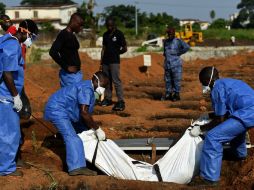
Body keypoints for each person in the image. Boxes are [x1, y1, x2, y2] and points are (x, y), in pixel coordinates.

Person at [189, 66, 254, 186]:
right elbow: (224, 112)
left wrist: (201, 129)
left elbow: (220, 119)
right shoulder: (228, 83)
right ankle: (238, 154)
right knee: (234, 128)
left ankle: (209, 178)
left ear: (208, 79)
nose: (202, 85)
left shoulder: (216, 89)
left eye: (202, 82)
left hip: (247, 113)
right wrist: (209, 115)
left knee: (213, 137)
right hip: (248, 111)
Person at [44, 71, 109, 176]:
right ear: (95, 80)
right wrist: (97, 128)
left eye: (105, 86)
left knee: (84, 130)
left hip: (66, 110)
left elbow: (85, 113)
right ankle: (77, 167)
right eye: (102, 85)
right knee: (73, 137)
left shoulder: (89, 89)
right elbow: (84, 113)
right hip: (57, 109)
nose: (102, 88)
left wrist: (91, 128)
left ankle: (58, 140)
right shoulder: (86, 89)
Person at [0, 19, 38, 176]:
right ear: (26, 32)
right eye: (33, 36)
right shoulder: (13, 45)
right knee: (10, 133)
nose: (32, 40)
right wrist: (16, 96)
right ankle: (6, 169)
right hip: (6, 96)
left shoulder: (5, 40)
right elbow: (7, 73)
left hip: (4, 94)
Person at [49, 13, 84, 87]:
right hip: (69, 76)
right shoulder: (63, 34)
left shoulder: (72, 35)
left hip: (75, 75)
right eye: (80, 25)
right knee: (72, 97)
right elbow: (53, 52)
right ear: (74, 22)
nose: (81, 28)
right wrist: (66, 67)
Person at [100, 17, 127, 111]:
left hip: (114, 62)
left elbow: (124, 48)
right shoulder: (105, 35)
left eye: (111, 25)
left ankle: (121, 101)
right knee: (107, 81)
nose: (109, 27)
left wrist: (117, 53)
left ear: (114, 25)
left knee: (116, 81)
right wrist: (101, 62)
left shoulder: (119, 34)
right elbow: (103, 49)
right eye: (108, 25)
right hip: (105, 62)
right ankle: (108, 99)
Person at [161, 28, 190, 101]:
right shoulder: (165, 42)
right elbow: (165, 52)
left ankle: (176, 94)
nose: (170, 35)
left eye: (171, 33)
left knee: (176, 80)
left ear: (174, 33)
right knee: (168, 80)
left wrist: (179, 52)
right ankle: (168, 93)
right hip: (167, 64)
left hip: (176, 65)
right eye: (169, 34)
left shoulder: (178, 41)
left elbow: (187, 47)